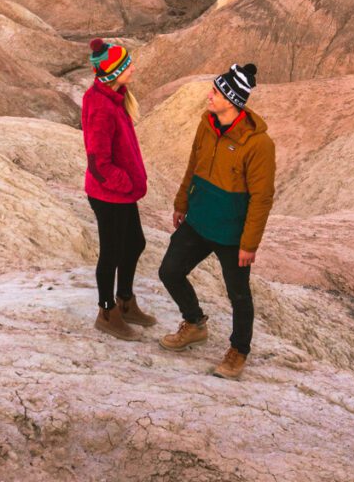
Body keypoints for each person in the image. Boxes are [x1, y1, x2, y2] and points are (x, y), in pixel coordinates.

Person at [158, 63, 275, 380]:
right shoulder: (206, 125)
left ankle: (239, 351)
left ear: (232, 99)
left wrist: (249, 244)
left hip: (231, 233)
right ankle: (195, 323)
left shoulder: (258, 144)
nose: (209, 95)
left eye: (216, 91)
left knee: (239, 296)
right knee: (169, 271)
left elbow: (262, 198)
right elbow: (193, 165)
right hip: (198, 220)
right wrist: (182, 202)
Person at [82, 37, 155, 341]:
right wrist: (125, 183)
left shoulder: (115, 97)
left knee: (134, 243)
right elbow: (99, 162)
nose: (133, 68)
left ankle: (125, 301)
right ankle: (107, 311)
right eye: (127, 65)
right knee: (111, 254)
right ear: (112, 73)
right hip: (108, 194)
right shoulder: (101, 106)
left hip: (120, 193)